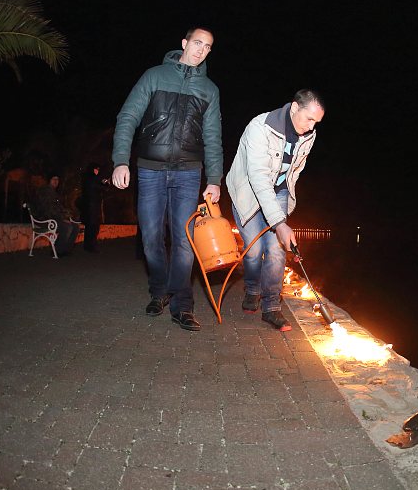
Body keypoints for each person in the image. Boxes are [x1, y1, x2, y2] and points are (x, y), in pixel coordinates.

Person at [111, 27, 223, 332]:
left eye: (208, 47)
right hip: (150, 169)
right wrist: (121, 161)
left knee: (185, 240)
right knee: (150, 237)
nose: (201, 50)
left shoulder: (209, 90)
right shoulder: (154, 76)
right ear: (185, 43)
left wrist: (214, 179)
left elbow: (213, 137)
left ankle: (181, 304)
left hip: (189, 172)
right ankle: (159, 291)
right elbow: (128, 117)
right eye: (197, 43)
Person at [225, 89, 325, 331]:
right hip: (248, 192)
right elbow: (258, 177)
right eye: (309, 119)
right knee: (253, 250)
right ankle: (252, 289)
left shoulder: (308, 136)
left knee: (276, 250)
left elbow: (295, 170)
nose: (312, 127)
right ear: (294, 108)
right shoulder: (259, 128)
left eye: (317, 122)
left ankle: (271, 307)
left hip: (277, 193)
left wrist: (281, 213)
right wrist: (280, 224)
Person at [31, 174, 80, 257]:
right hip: (44, 219)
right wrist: (62, 218)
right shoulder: (45, 191)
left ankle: (66, 250)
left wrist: (69, 214)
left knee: (75, 226)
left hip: (53, 218)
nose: (56, 181)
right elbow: (48, 209)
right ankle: (58, 251)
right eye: (53, 179)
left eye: (57, 179)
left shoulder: (53, 192)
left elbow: (59, 208)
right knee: (67, 226)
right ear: (49, 180)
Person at [80, 162, 108, 253]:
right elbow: (101, 187)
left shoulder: (91, 178)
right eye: (96, 169)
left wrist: (104, 182)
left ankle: (89, 245)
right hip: (91, 207)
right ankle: (90, 246)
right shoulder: (90, 179)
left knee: (92, 227)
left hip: (92, 206)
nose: (97, 171)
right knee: (92, 227)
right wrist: (105, 183)